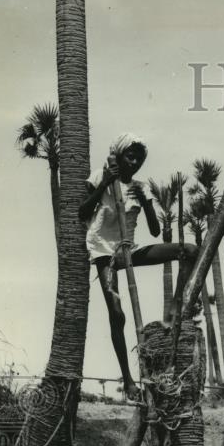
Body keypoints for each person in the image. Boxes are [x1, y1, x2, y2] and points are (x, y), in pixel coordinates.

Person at [79, 134, 197, 401]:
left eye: (139, 159)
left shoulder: (140, 187)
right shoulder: (100, 176)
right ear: (119, 157)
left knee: (189, 250)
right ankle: (129, 380)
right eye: (130, 157)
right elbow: (81, 213)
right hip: (104, 253)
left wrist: (145, 203)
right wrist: (106, 184)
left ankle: (175, 312)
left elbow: (156, 232)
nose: (134, 162)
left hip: (128, 251)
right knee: (117, 315)